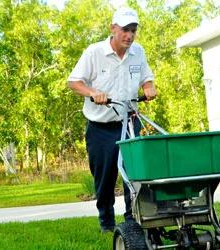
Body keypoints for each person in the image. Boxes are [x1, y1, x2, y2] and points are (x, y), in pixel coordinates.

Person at [67, 7, 157, 233]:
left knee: (134, 175)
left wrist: (149, 88)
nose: (130, 35)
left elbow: (146, 79)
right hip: (100, 128)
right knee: (105, 177)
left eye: (133, 30)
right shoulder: (94, 52)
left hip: (130, 123)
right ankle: (107, 223)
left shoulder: (138, 52)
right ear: (113, 28)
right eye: (125, 30)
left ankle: (132, 220)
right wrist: (92, 93)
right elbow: (74, 82)